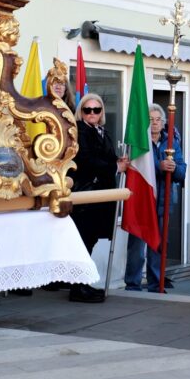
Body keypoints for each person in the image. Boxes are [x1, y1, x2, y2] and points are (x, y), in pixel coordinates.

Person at [68, 92, 129, 303]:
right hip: (86, 195)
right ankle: (77, 287)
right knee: (83, 240)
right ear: (81, 112)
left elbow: (105, 156)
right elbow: (85, 160)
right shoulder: (79, 131)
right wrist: (114, 166)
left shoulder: (102, 130)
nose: (92, 113)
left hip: (100, 195)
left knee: (91, 240)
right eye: (87, 110)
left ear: (102, 111)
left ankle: (82, 283)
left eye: (96, 109)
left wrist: (117, 160)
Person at [124, 104, 186, 292]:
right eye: (151, 120)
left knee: (158, 246)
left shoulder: (171, 143)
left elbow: (182, 172)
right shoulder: (139, 144)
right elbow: (136, 170)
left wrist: (174, 168)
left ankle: (156, 284)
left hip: (163, 203)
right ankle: (133, 285)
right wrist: (159, 166)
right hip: (141, 203)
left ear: (163, 122)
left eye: (158, 120)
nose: (155, 123)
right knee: (137, 248)